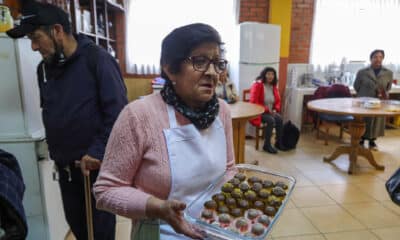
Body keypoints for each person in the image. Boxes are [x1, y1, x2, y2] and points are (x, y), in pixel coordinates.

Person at [93, 23, 236, 239]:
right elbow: (106, 191)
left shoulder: (222, 111)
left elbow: (228, 168)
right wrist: (158, 207)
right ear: (170, 68)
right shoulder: (138, 116)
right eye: (199, 61)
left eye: (217, 63)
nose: (212, 72)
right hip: (160, 231)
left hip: (214, 230)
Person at [6, 2, 128, 239]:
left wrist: (97, 150)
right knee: (80, 230)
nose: (33, 46)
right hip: (65, 173)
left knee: (100, 233)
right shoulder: (44, 68)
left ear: (57, 30)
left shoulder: (97, 60)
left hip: (94, 172)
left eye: (35, 37)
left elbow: (118, 114)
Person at [354, 49, 393, 150]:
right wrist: (365, 93)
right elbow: (356, 86)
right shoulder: (362, 72)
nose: (378, 59)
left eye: (380, 57)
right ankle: (361, 140)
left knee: (376, 121)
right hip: (364, 100)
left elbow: (388, 88)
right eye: (375, 57)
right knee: (364, 120)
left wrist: (383, 93)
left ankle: (372, 142)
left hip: (378, 102)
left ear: (383, 59)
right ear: (371, 58)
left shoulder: (388, 73)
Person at [249, 67, 285, 154]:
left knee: (279, 119)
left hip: (270, 111)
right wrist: (267, 110)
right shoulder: (258, 85)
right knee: (271, 120)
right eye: (268, 74)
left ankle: (278, 143)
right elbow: (254, 102)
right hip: (259, 112)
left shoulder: (273, 86)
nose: (270, 76)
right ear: (264, 75)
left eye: (272, 74)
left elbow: (277, 101)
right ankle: (267, 145)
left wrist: (275, 109)